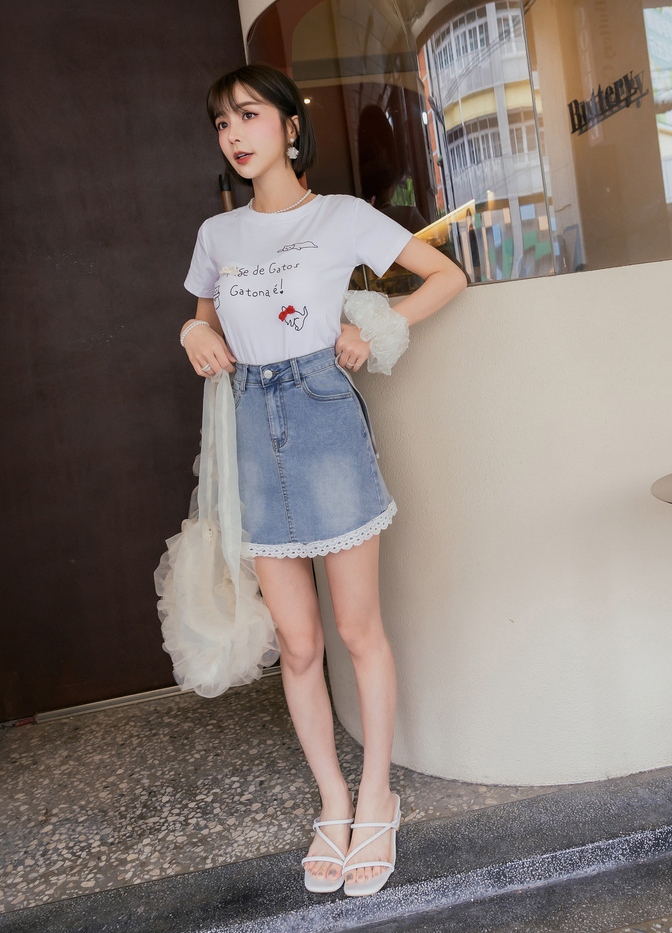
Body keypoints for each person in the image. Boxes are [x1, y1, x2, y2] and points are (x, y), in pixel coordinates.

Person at [179, 65, 466, 897]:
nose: (234, 134)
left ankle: (377, 796)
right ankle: (333, 801)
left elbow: (446, 276)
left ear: (290, 126)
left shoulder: (339, 217)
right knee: (300, 645)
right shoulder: (217, 235)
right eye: (222, 123)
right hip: (249, 429)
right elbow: (204, 321)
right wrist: (190, 335)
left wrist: (375, 325)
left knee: (356, 628)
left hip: (323, 416)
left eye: (249, 115)